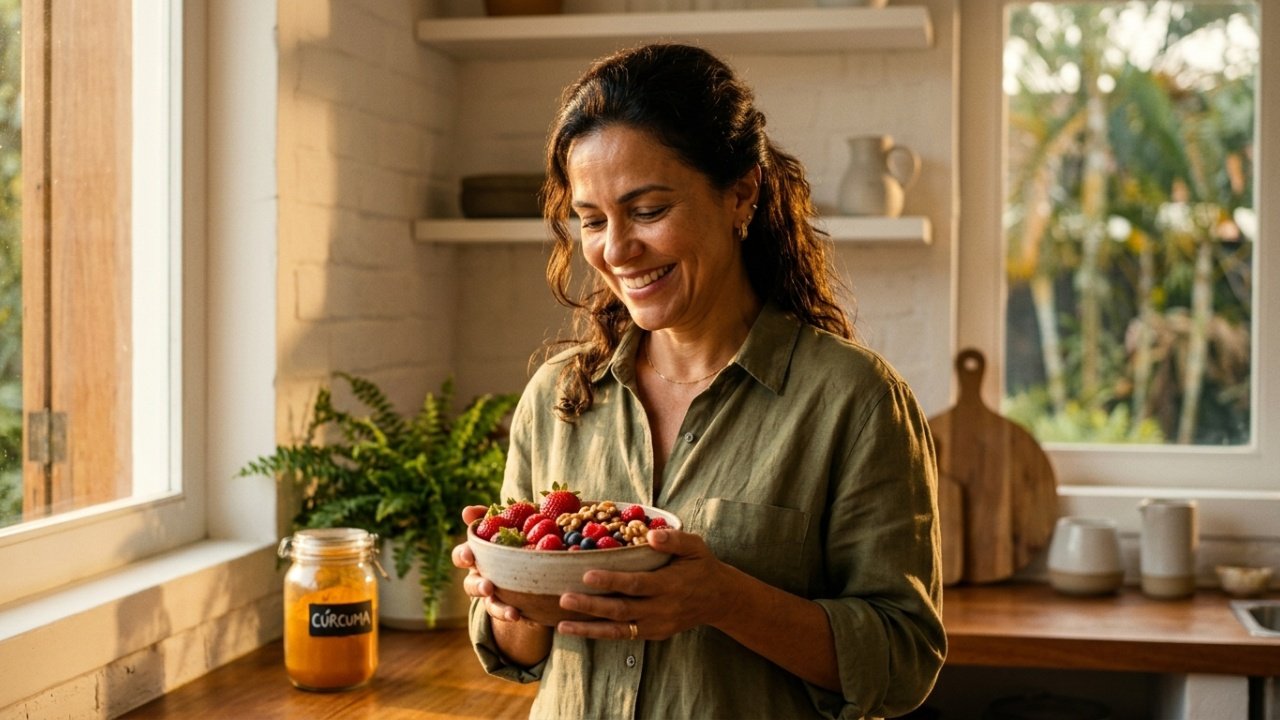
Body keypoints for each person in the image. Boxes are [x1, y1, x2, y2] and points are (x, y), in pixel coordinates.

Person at [451, 43, 946, 719]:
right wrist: (509, 594)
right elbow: (520, 652)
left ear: (740, 193)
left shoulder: (853, 401)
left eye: (648, 210)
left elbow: (902, 661)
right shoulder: (559, 397)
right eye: (593, 220)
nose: (616, 251)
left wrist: (725, 599)